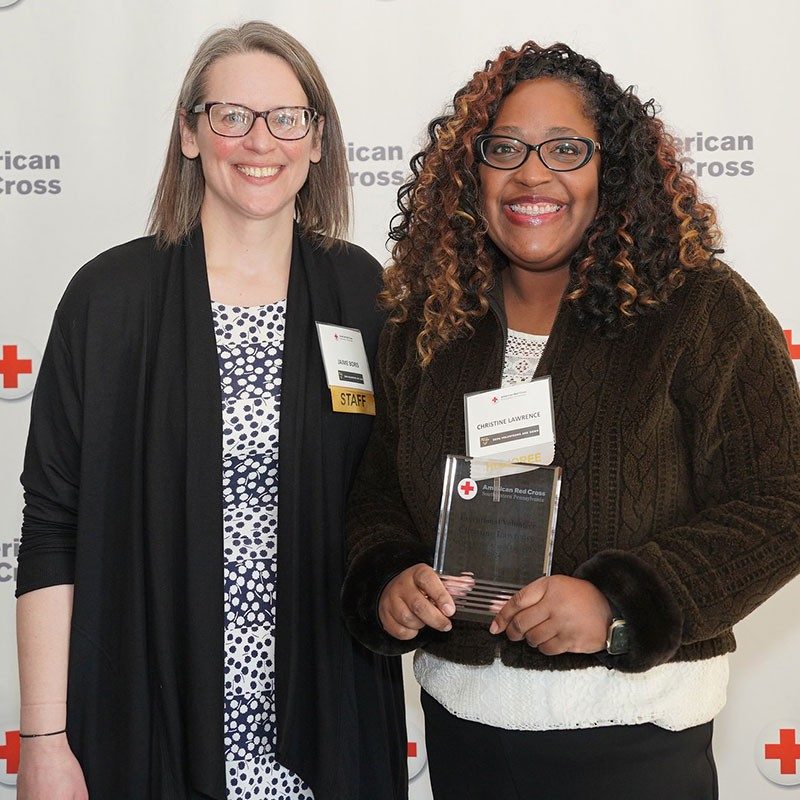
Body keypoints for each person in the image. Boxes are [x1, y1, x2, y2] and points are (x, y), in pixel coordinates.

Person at [342, 40, 800, 800]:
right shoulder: (427, 321)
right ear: (470, 171)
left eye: (565, 149)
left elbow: (786, 499)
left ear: (610, 171)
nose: (532, 173)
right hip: (465, 733)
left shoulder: (700, 308)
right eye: (505, 148)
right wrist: (390, 576)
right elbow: (378, 487)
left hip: (635, 743)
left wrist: (619, 603)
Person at [16, 21, 406, 800]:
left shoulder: (366, 294)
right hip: (146, 719)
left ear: (318, 139)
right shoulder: (109, 301)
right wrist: (43, 741)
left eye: (285, 118)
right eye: (231, 116)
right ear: (191, 134)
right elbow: (54, 528)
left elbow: (396, 498)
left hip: (327, 724)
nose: (259, 141)